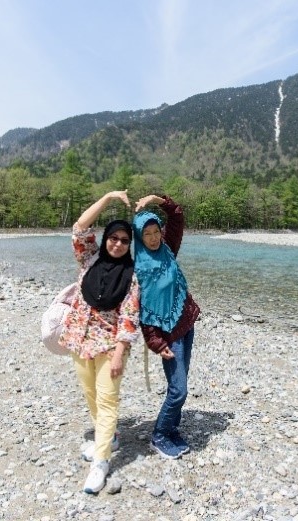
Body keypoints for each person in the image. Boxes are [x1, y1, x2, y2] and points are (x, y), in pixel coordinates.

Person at [57, 190, 140, 494]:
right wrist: (108, 198)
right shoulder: (89, 259)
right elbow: (80, 227)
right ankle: (111, 436)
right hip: (79, 340)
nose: (118, 244)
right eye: (113, 238)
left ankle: (101, 462)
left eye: (124, 240)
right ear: (106, 239)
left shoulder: (131, 276)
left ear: (130, 245)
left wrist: (119, 354)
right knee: (90, 394)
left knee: (107, 400)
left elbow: (129, 317)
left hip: (110, 346)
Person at [132, 194, 201, 459]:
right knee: (178, 389)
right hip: (167, 335)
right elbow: (144, 312)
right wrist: (157, 343)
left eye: (155, 231)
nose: (153, 238)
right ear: (139, 237)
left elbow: (177, 216)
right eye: (146, 234)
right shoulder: (139, 270)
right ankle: (159, 435)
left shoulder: (168, 248)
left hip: (186, 323)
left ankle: (172, 429)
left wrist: (156, 199)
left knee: (180, 383)